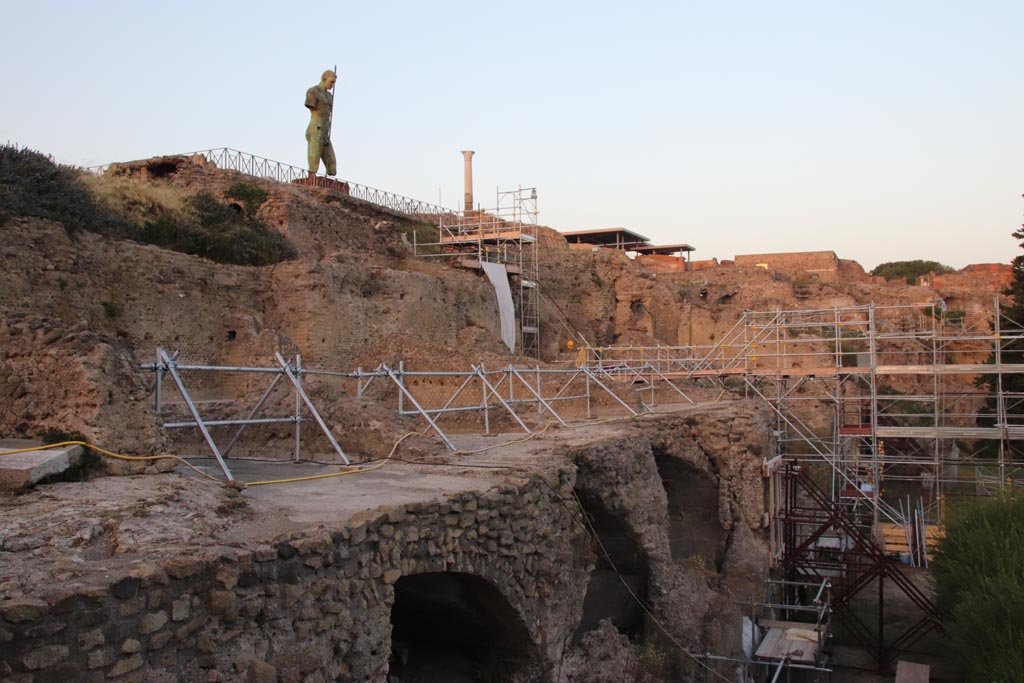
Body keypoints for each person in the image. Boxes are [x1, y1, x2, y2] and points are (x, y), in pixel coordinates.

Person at [305, 70, 337, 177]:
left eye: (334, 83)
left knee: (332, 166)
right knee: (314, 161)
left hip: (325, 131)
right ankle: (311, 179)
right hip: (316, 128)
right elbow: (311, 105)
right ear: (324, 79)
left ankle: (329, 183)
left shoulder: (329, 96)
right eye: (331, 82)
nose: (332, 85)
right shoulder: (313, 91)